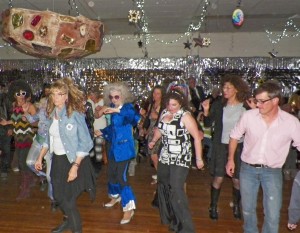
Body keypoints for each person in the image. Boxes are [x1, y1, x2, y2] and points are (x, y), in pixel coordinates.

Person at [226, 80, 300, 233]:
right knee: (247, 211)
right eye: (256, 100)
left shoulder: (291, 122)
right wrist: (230, 160)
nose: (257, 104)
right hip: (247, 169)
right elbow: (234, 136)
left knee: (272, 215)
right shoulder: (248, 116)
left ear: (275, 101)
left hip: (272, 172)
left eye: (261, 101)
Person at [34, 77, 96, 233]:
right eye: (53, 94)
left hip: (74, 161)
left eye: (60, 94)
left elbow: (86, 142)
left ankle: (76, 229)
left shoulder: (74, 115)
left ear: (66, 96)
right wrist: (40, 156)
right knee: (58, 196)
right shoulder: (50, 114)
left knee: (68, 200)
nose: (56, 98)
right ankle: (68, 222)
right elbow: (49, 139)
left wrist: (75, 166)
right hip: (58, 160)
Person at [148, 89, 204, 233]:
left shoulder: (185, 116)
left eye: (174, 104)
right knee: (164, 185)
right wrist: (154, 141)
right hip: (166, 155)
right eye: (168, 104)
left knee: (177, 189)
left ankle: (186, 227)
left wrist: (198, 158)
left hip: (181, 156)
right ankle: (173, 219)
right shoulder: (165, 113)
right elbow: (159, 129)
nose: (171, 107)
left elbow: (197, 137)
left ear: (180, 104)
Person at [201, 74, 250, 220]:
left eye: (229, 87)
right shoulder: (219, 105)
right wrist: (206, 110)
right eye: (224, 87)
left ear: (236, 89)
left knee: (237, 180)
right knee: (218, 178)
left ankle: (236, 205)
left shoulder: (245, 107)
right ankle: (213, 206)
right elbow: (208, 124)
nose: (225, 89)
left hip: (239, 147)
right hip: (221, 146)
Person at [94, 82, 140, 225]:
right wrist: (102, 131)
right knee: (111, 174)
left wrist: (116, 111)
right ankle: (115, 196)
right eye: (111, 97)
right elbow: (113, 128)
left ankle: (129, 208)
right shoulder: (113, 107)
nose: (113, 99)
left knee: (121, 177)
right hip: (113, 147)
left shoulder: (127, 107)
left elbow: (134, 118)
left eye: (116, 96)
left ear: (123, 96)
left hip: (124, 149)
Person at [0, 80, 37, 200]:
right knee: (22, 162)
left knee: (22, 162)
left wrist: (29, 119)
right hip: (18, 138)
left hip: (27, 137)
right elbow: (15, 120)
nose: (21, 96)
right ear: (14, 95)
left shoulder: (30, 106)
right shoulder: (14, 106)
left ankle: (25, 188)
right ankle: (31, 179)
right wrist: (7, 122)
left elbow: (37, 121)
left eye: (23, 93)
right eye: (18, 94)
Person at [0, 83, 13, 179]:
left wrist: (10, 127)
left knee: (6, 149)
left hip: (5, 127)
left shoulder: (6, 99)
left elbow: (11, 113)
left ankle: (4, 169)